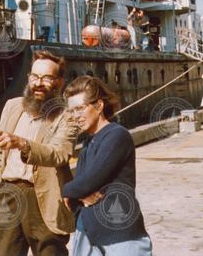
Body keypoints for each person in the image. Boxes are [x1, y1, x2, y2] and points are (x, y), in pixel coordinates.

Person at [0, 50, 78, 256]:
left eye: (47, 78)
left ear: (59, 82)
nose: (38, 83)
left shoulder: (66, 116)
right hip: (8, 194)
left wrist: (22, 144)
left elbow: (59, 154)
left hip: (44, 197)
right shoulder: (12, 106)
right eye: (34, 77)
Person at [62, 76, 152, 256]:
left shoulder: (117, 135)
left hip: (119, 235)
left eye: (80, 108)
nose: (75, 116)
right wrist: (78, 194)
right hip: (87, 230)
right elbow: (83, 186)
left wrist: (65, 191)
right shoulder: (89, 142)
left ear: (99, 105)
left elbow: (89, 181)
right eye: (71, 111)